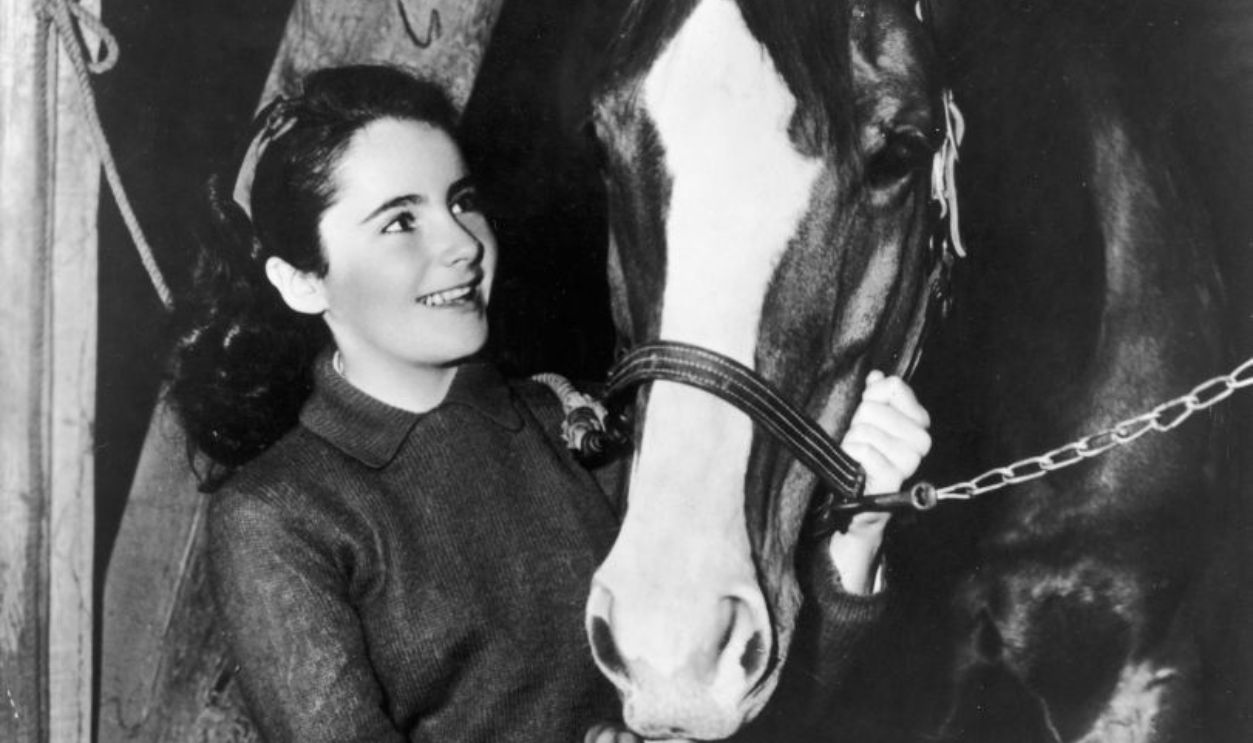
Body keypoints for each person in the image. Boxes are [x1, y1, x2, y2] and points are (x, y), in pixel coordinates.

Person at [166, 64, 932, 743]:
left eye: (460, 201)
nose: (462, 243)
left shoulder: (576, 422)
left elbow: (764, 705)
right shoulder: (279, 512)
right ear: (302, 280)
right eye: (401, 220)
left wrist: (856, 534)